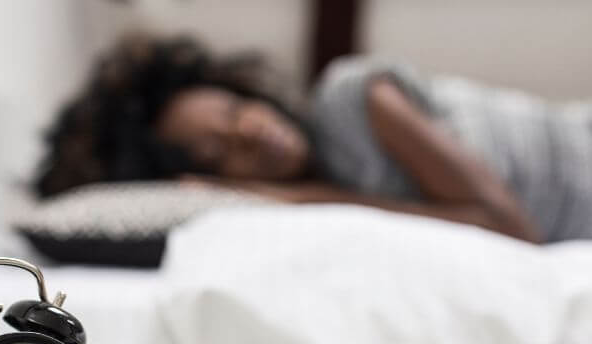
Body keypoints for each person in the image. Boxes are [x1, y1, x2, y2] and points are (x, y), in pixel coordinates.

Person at [34, 34, 592, 243]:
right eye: (220, 150)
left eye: (234, 110)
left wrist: (305, 200)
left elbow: (509, 228)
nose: (252, 130)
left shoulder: (353, 97)